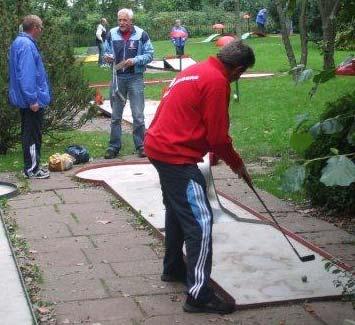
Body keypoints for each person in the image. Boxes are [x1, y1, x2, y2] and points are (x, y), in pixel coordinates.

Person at [144, 40, 255, 314]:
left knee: (177, 209)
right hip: (175, 155)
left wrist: (211, 152)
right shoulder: (217, 81)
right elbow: (218, 137)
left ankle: (173, 268)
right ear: (238, 69)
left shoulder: (197, 69)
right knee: (201, 222)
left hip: (158, 146)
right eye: (240, 74)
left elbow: (191, 115)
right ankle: (198, 295)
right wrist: (237, 165)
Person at [104, 8, 154, 159]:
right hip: (117, 78)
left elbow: (150, 54)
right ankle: (113, 147)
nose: (121, 23)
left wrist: (135, 60)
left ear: (131, 21)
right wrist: (107, 57)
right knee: (116, 116)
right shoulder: (111, 34)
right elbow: (105, 51)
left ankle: (141, 146)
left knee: (138, 115)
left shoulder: (141, 34)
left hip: (135, 77)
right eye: (119, 20)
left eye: (125, 20)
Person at [8, 15, 51, 179]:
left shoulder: (18, 42)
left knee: (28, 133)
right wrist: (33, 99)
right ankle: (32, 169)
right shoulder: (26, 45)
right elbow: (26, 75)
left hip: (25, 98)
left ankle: (30, 167)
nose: (41, 31)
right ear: (34, 28)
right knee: (32, 135)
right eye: (40, 28)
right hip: (31, 100)